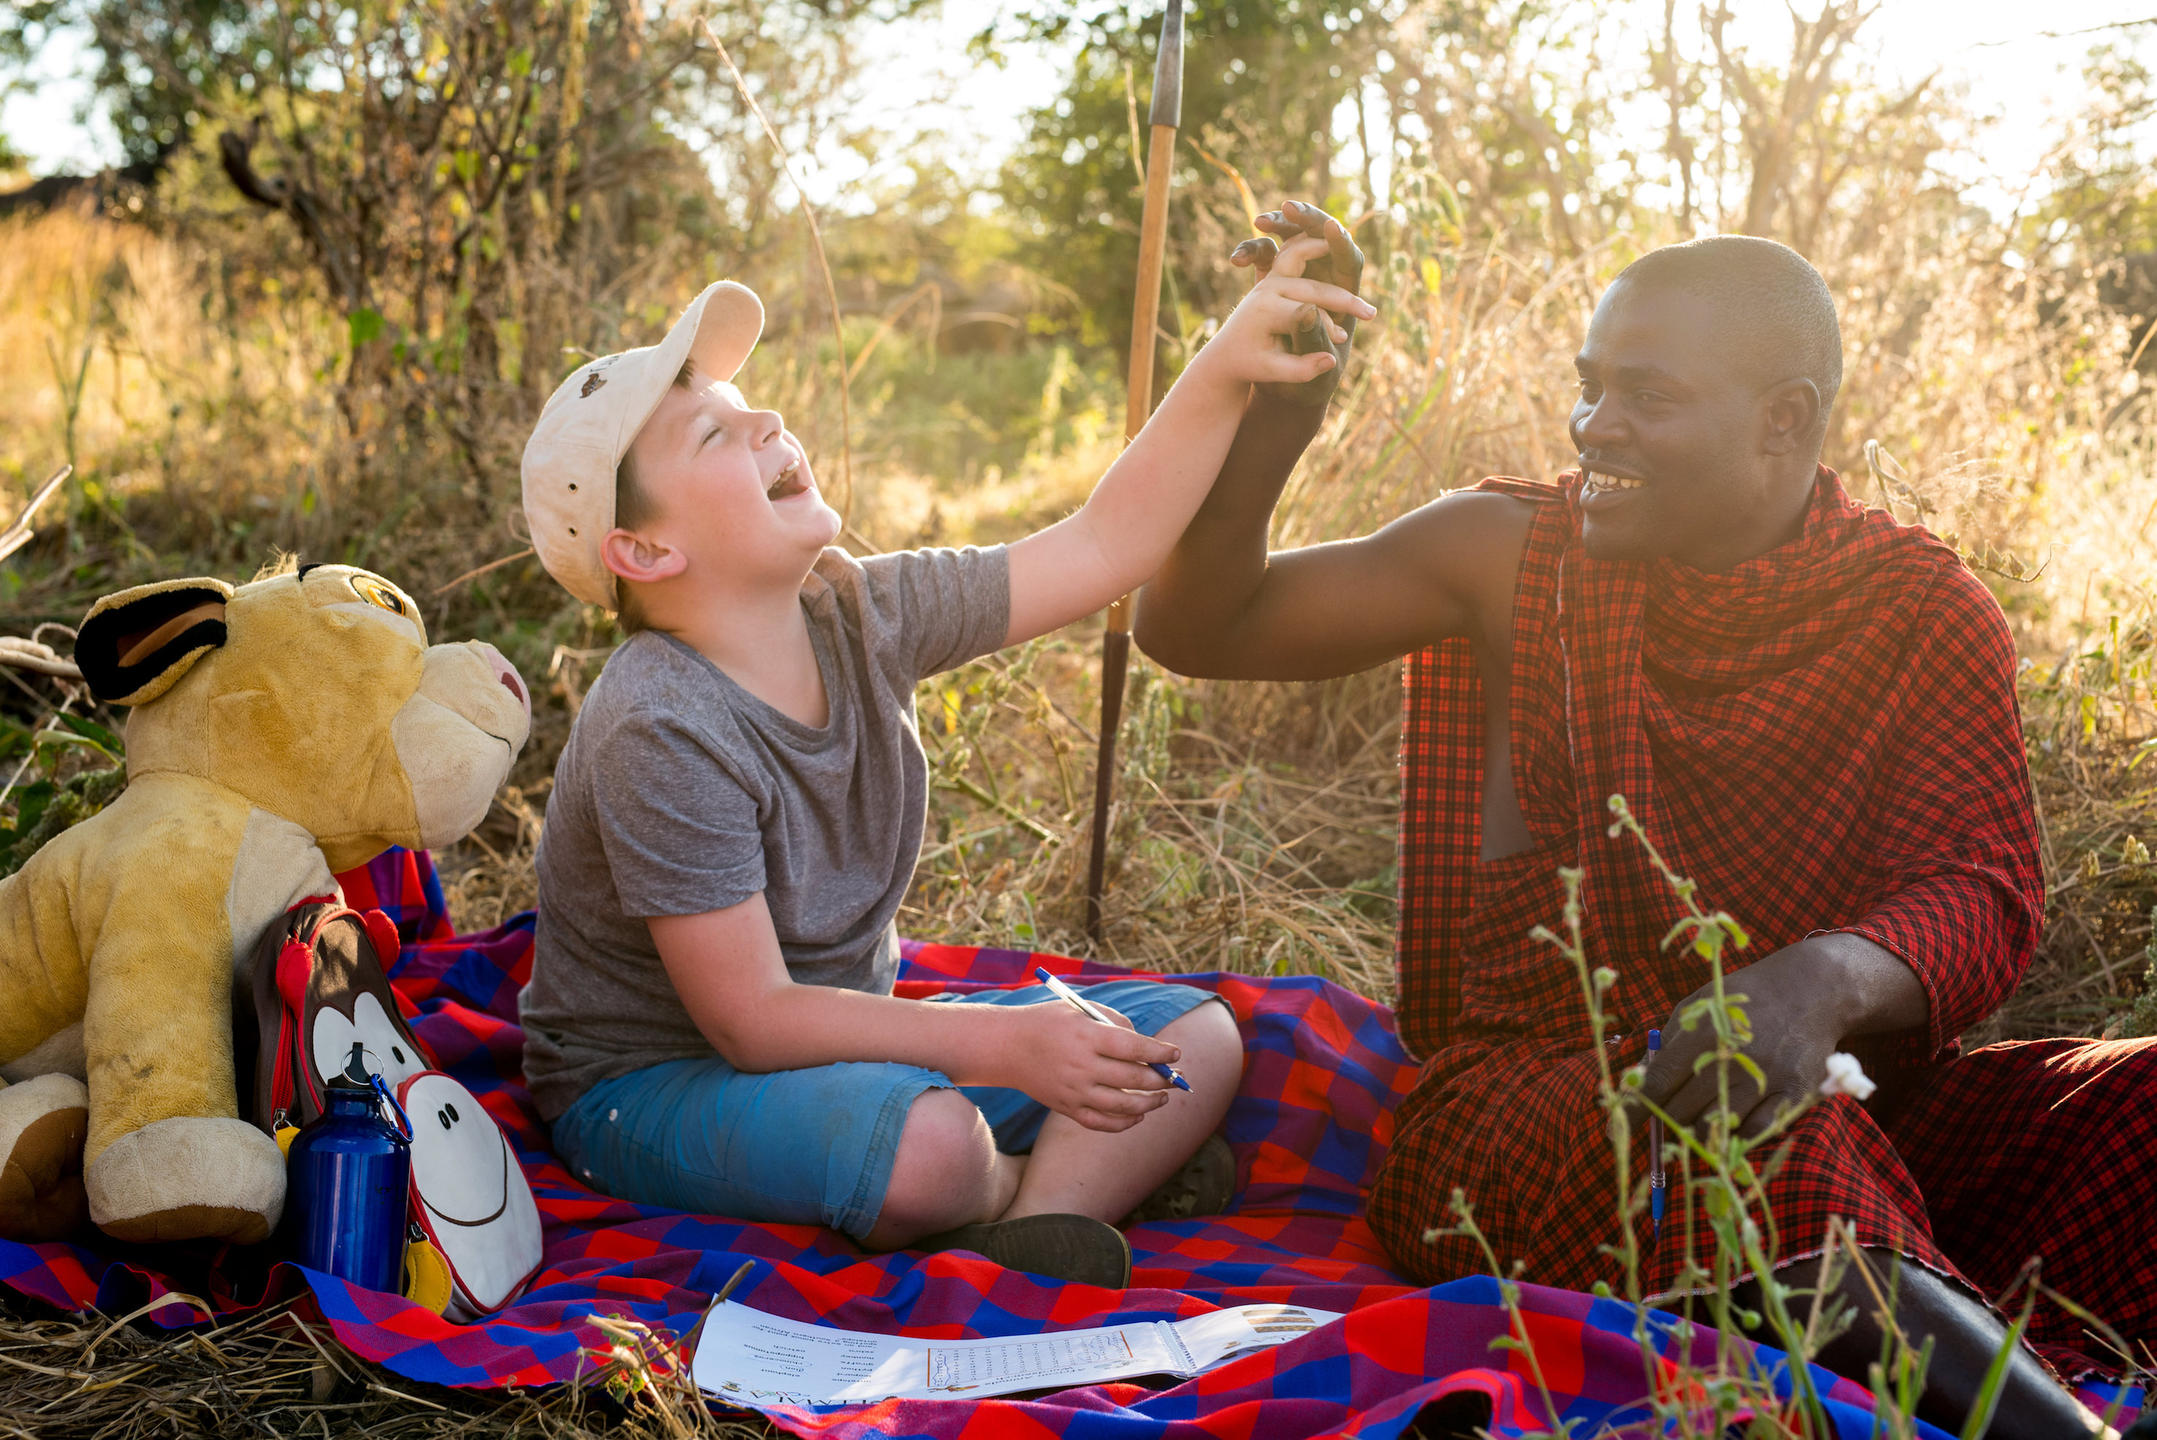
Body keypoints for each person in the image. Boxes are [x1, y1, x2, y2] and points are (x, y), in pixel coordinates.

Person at [1135, 201, 2155, 1438]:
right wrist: (1276, 421)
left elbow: (1982, 885)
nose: (1592, 428)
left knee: (2132, 1109)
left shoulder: (1924, 609)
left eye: (1645, 398)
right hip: (1535, 1110)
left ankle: (1914, 1307)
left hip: (1857, 1101)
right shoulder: (1513, 554)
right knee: (1766, 1151)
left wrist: (1822, 979)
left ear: (1786, 421)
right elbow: (1200, 627)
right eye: (1588, 387)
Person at [513, 242, 1376, 1288]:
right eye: (714, 433)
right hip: (650, 1085)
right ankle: (1042, 1185)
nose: (765, 424)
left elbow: (1105, 545)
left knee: (1198, 1039)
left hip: (847, 1051)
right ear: (645, 553)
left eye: (748, 403)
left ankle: (1038, 1221)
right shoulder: (658, 723)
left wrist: (1226, 361)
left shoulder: (865, 610)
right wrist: (1006, 1051)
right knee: (934, 1147)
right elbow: (751, 1021)